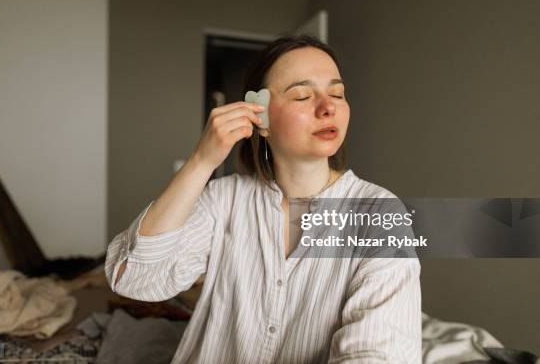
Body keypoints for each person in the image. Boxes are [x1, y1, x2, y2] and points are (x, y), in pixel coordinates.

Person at [105, 35, 422, 363]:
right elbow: (134, 279)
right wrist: (201, 162)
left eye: (337, 93)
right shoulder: (224, 199)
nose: (328, 107)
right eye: (301, 95)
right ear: (262, 118)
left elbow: (376, 355)